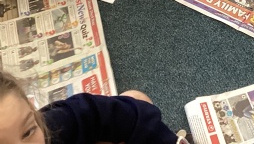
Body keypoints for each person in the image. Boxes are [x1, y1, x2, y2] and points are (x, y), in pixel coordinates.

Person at [0, 69, 192, 143]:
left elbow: (118, 113)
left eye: (28, 132)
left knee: (135, 98)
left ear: (32, 110)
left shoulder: (55, 123)